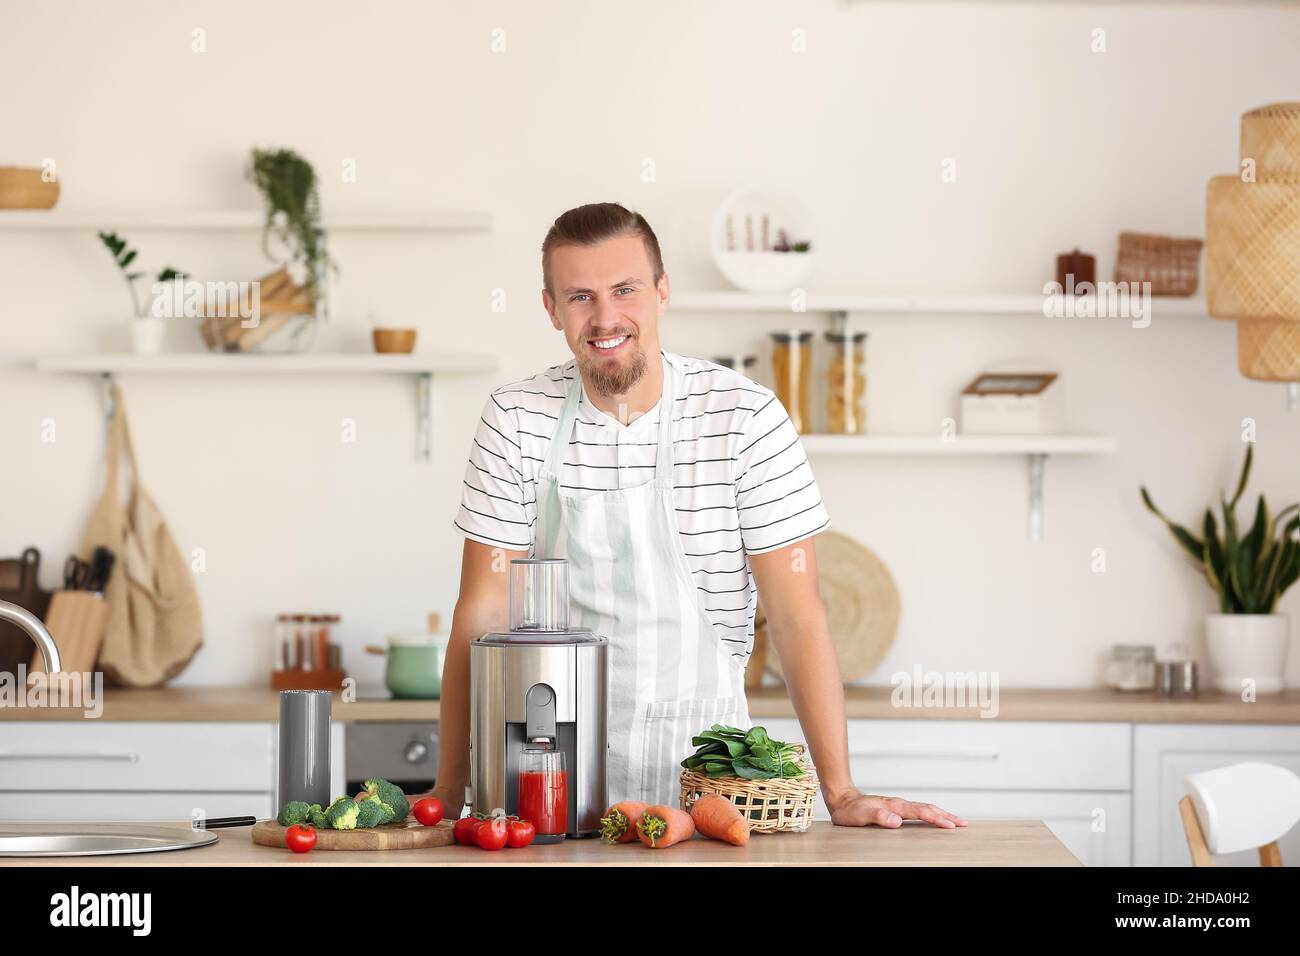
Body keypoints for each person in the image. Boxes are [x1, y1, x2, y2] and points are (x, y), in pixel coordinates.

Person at [428, 202, 966, 830]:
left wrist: (840, 793)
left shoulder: (745, 418)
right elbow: (483, 613)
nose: (605, 318)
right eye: (580, 296)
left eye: (625, 289)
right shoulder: (517, 418)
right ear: (551, 308)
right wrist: (449, 788)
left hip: (708, 796)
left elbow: (795, 614)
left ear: (662, 291)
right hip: (544, 791)